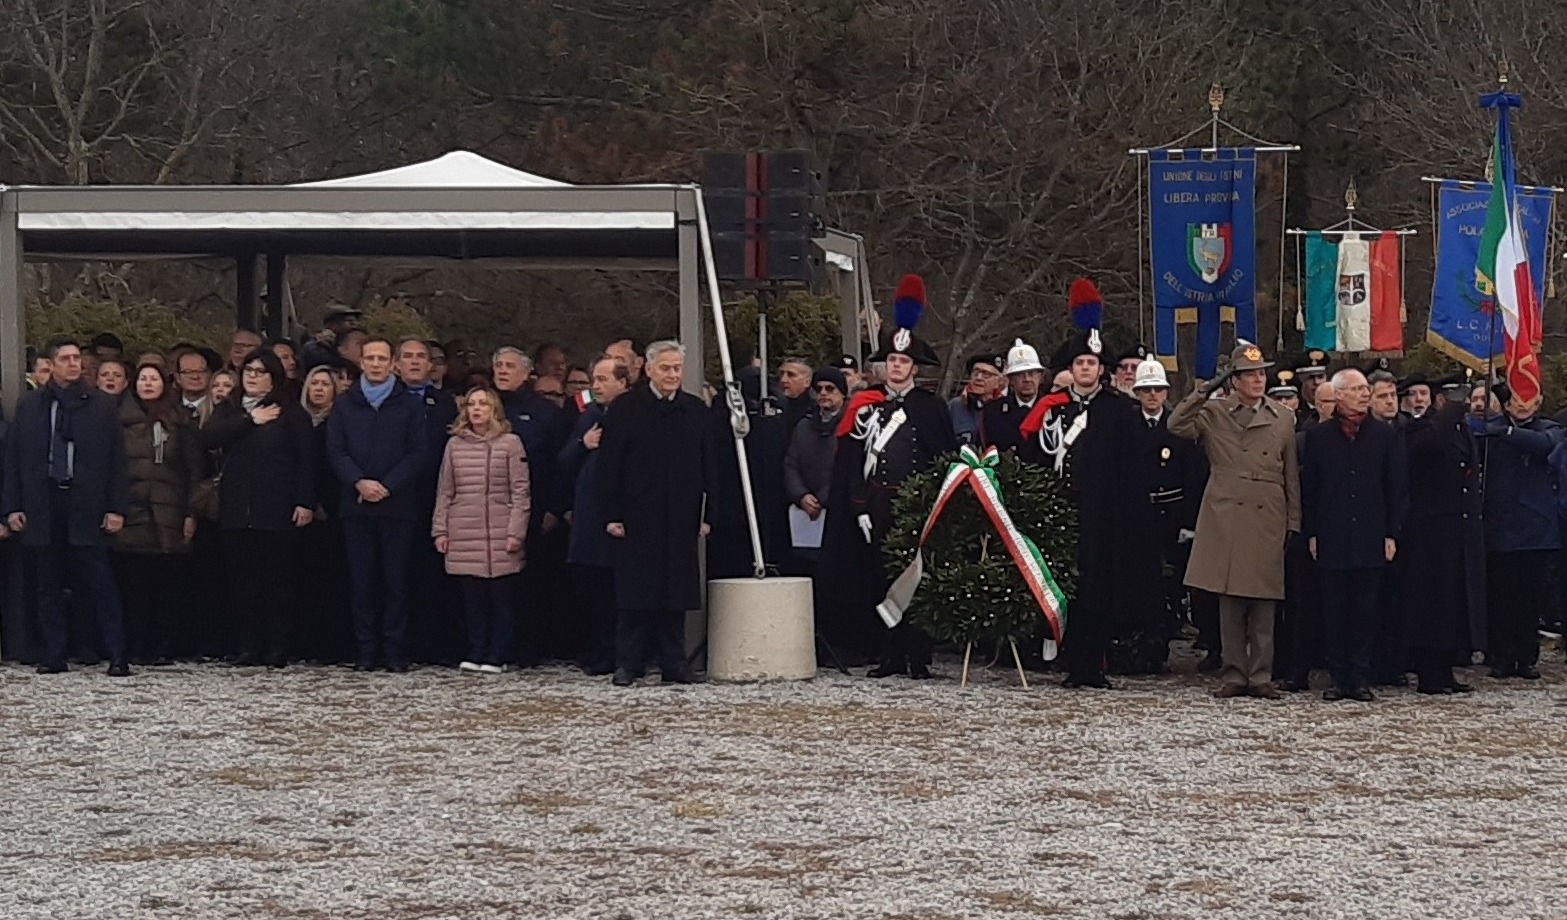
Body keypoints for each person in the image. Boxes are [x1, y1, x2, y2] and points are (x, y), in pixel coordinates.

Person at [825, 275, 956, 678]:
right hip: (876, 505)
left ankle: (917, 655)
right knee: (877, 577)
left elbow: (942, 458)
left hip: (915, 504)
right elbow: (850, 461)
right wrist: (857, 506)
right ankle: (886, 654)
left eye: (904, 362)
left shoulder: (931, 408)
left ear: (914, 367)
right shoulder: (865, 404)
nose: (897, 367)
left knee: (915, 578)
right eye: (892, 361)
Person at [1168, 342, 1300, 700]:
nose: (1258, 380)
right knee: (1229, 601)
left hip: (1266, 510)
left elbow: (1291, 475)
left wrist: (1293, 520)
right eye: (1248, 375)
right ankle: (1234, 673)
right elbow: (1176, 423)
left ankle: (1260, 675)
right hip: (1226, 511)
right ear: (1234, 381)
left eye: (1260, 374)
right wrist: (1206, 389)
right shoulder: (1214, 412)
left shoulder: (1283, 418)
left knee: (1264, 600)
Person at [1018, 321, 1137, 689]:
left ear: (1102, 370)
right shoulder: (1053, 409)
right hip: (1062, 511)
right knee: (1065, 588)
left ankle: (1094, 664)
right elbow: (1037, 458)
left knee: (1098, 589)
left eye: (1092, 363)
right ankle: (1071, 661)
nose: (1085, 368)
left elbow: (1129, 469)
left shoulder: (1118, 411)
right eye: (1080, 362)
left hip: (1103, 514)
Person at [3, 340, 132, 676]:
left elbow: (117, 461)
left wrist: (116, 507)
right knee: (48, 583)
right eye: (65, 359)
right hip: (44, 501)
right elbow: (15, 460)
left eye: (77, 358)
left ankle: (117, 653)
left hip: (86, 503)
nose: (73, 364)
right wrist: (12, 507)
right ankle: (55, 653)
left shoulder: (100, 405)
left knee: (99, 580)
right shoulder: (30, 406)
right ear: (50, 364)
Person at [598, 340, 720, 687]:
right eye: (665, 368)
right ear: (648, 369)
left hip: (682, 515)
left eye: (677, 368)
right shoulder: (626, 408)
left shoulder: (695, 411)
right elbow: (609, 466)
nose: (672, 374)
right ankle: (629, 663)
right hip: (636, 516)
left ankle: (674, 663)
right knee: (635, 594)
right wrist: (611, 514)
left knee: (675, 594)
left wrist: (708, 513)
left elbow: (710, 465)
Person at [202, 349, 315, 666]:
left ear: (274, 376)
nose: (252, 376)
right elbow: (208, 437)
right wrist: (248, 420)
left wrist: (304, 501)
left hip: (277, 509)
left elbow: (306, 461)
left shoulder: (291, 412)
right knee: (243, 583)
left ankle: (277, 647)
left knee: (278, 583)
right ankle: (248, 645)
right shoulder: (231, 408)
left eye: (260, 371)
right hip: (237, 510)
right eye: (248, 370)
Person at [1301, 368, 1408, 703]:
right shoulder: (1319, 437)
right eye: (1357, 389)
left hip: (1371, 534)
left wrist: (1392, 533)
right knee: (1334, 610)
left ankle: (1360, 677)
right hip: (1332, 533)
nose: (1364, 394)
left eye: (1366, 389)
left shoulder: (1383, 435)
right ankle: (1337, 676)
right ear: (1339, 394)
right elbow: (1311, 489)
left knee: (1365, 609)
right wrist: (1313, 532)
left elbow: (1395, 487)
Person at [327, 338, 427, 671]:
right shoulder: (345, 404)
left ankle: (395, 651)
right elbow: (336, 452)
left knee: (396, 583)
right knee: (362, 584)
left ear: (393, 364)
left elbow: (417, 454)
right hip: (356, 506)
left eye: (382, 359)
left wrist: (387, 486)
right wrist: (359, 482)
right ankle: (366, 652)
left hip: (397, 507)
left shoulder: (410, 405)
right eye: (369, 358)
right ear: (361, 363)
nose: (375, 364)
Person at [1115, 357, 1205, 675]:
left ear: (1166, 394)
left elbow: (1192, 477)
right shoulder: (1125, 427)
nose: (1152, 396)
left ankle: (1161, 648)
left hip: (1171, 515)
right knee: (1138, 584)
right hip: (1137, 516)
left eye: (1158, 390)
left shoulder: (1178, 427)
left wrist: (1188, 523)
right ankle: (1138, 649)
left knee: (1170, 588)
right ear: (1137, 393)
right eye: (1147, 390)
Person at [433, 387, 531, 674]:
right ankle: (475, 650)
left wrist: (516, 532)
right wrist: (441, 530)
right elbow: (445, 491)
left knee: (500, 597)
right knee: (472, 599)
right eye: (472, 404)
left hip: (500, 529)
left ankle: (497, 653)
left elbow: (520, 491)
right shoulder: (454, 445)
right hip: (464, 528)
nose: (477, 409)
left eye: (483, 404)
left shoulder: (511, 443)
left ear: (494, 410)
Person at [113, 363, 203, 665]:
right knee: (134, 585)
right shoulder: (118, 419)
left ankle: (165, 645)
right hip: (132, 509)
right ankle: (136, 645)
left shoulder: (180, 420)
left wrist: (191, 511)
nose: (148, 384)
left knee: (167, 585)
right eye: (143, 379)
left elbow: (194, 470)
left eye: (154, 379)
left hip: (170, 511)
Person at [1479, 386, 1560, 679]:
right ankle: (1501, 656)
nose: (1522, 405)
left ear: (1538, 403)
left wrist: (1508, 434)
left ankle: (1526, 657)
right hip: (1500, 525)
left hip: (1534, 530)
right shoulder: (1492, 430)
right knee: (1501, 596)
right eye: (1516, 400)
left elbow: (1545, 446)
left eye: (1528, 400)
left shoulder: (1549, 429)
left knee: (1529, 598)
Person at [1403, 395, 1483, 694]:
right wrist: (1446, 414)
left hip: (1458, 526)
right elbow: (1427, 448)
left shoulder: (1462, 430)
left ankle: (1446, 667)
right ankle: (1429, 672)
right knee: (1431, 604)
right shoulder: (1419, 429)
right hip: (1429, 530)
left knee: (1453, 603)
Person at [493, 345, 567, 662]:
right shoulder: (486, 407)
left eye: (510, 366)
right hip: (492, 510)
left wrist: (554, 506)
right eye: (498, 366)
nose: (502, 371)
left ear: (527, 374)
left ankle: (531, 648)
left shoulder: (545, 412)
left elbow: (559, 463)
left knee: (533, 583)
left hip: (536, 510)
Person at [559, 355, 631, 675]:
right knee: (593, 589)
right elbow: (563, 462)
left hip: (620, 518)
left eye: (603, 380)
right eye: (594, 380)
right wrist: (582, 443)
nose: (596, 387)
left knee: (619, 591)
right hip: (588, 518)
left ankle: (622, 653)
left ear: (623, 382)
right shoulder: (588, 415)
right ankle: (599, 649)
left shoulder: (634, 416)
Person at [397, 337, 460, 665]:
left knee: (432, 575)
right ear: (397, 364)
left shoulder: (445, 403)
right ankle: (397, 644)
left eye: (421, 357)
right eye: (408, 357)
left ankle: (433, 645)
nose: (415, 363)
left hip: (436, 499)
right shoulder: (387, 401)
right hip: (393, 498)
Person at [296, 366, 350, 662]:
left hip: (333, 510)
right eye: (313, 383)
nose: (318, 389)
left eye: (324, 384)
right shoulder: (298, 420)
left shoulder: (340, 422)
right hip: (302, 511)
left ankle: (332, 644)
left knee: (332, 581)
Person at [979, 339, 1045, 453]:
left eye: (1032, 373)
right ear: (1010, 379)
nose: (1027, 379)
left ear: (1040, 376)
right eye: (1020, 375)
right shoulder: (992, 411)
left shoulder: (1052, 410)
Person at [948, 355, 1001, 445]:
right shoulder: (956, 406)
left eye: (986, 375)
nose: (979, 378)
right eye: (975, 373)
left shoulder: (1004, 408)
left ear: (998, 382)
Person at [175, 350, 216, 426]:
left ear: (209, 374)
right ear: (177, 377)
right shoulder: (169, 407)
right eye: (188, 372)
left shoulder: (218, 408)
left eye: (200, 371)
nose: (195, 376)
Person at [777, 358, 814, 433]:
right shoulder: (777, 405)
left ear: (807, 382)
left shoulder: (815, 410)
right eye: (781, 374)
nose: (783, 380)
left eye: (791, 375)